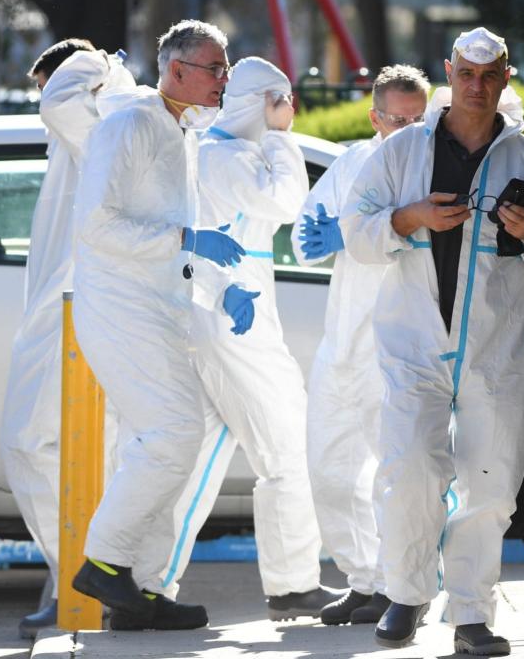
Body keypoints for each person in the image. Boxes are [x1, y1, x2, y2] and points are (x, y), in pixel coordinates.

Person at [340, 27, 524, 655]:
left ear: (506, 78)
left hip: (500, 346)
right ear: (448, 73)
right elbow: (356, 233)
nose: (476, 87)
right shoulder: (401, 152)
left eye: (489, 75)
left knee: (492, 480)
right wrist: (408, 217)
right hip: (413, 341)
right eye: (466, 75)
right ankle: (407, 592)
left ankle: (471, 614)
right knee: (411, 468)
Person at [133, 56, 338, 624]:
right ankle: (293, 585)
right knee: (289, 448)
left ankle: (148, 586)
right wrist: (280, 138)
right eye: (283, 100)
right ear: (265, 101)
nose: (290, 110)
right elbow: (285, 203)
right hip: (233, 318)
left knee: (199, 461)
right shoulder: (228, 156)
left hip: (216, 312)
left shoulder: (209, 150)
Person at [70, 20, 244, 629]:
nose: (225, 78)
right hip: (121, 307)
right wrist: (185, 238)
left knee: (153, 444)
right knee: (174, 434)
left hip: (157, 307)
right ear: (177, 71)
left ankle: (136, 594)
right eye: (216, 68)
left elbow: (171, 232)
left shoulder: (178, 128)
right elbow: (96, 225)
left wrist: (209, 269)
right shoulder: (131, 124)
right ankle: (105, 564)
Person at [1, 40, 134, 639]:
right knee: (54, 452)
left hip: (79, 310)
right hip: (63, 311)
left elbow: (58, 98)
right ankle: (73, 579)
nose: (39, 102)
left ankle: (80, 581)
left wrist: (99, 61)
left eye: (42, 87)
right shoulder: (82, 133)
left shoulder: (98, 125)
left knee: (30, 443)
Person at [293, 64, 431, 627]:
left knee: (395, 472)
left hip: (400, 341)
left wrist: (352, 234)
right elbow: (306, 235)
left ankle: (405, 585)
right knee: (328, 468)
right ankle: (363, 580)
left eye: (418, 118)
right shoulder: (350, 161)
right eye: (397, 118)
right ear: (375, 116)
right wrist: (328, 236)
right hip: (343, 340)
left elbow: (426, 237)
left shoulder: (431, 166)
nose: (407, 129)